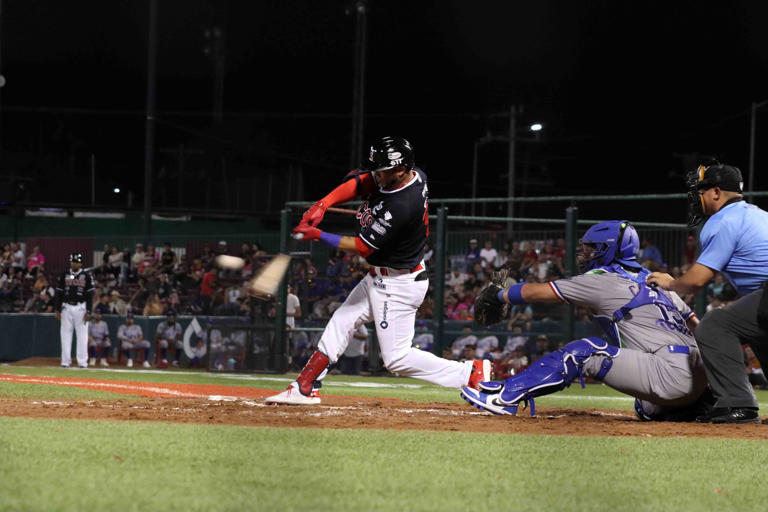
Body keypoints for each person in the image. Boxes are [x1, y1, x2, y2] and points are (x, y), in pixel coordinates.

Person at [266, 136, 490, 405]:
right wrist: (322, 204)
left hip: (398, 284)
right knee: (342, 321)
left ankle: (470, 373)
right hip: (382, 276)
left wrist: (317, 234)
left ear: (401, 169)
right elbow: (362, 182)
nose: (377, 175)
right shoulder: (412, 173)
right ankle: (304, 386)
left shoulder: (403, 204)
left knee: (396, 359)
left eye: (383, 171)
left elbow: (362, 247)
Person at [463, 220, 709, 422]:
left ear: (609, 249)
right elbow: (699, 328)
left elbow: (537, 292)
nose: (586, 254)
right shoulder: (662, 282)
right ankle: (691, 408)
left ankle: (506, 397)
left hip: (667, 373)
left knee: (585, 351)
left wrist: (499, 294)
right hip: (698, 375)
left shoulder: (603, 279)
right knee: (645, 407)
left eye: (594, 248)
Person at [647, 163, 768, 424]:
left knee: (714, 325)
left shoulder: (723, 220)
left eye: (699, 191)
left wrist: (670, 283)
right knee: (759, 331)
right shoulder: (757, 214)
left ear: (715, 192)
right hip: (763, 297)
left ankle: (739, 405)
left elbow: (695, 282)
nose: (695, 198)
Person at [55, 252, 94, 368]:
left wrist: (89, 311)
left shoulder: (86, 276)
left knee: (82, 336)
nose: (74, 264)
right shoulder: (64, 275)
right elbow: (59, 293)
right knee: (65, 335)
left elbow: (90, 295)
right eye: (73, 262)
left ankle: (82, 362)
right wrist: (57, 309)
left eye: (76, 262)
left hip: (81, 307)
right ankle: (65, 362)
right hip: (66, 307)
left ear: (81, 263)